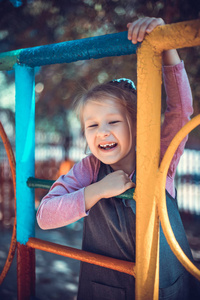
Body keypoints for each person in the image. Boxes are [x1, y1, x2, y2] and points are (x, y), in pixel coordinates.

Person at [36, 17, 200, 300]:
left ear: (136, 126)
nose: (102, 132)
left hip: (165, 287)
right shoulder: (89, 168)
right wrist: (97, 190)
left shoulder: (159, 159)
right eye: (92, 125)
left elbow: (180, 111)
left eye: (113, 121)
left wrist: (166, 45)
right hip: (104, 289)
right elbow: (45, 217)